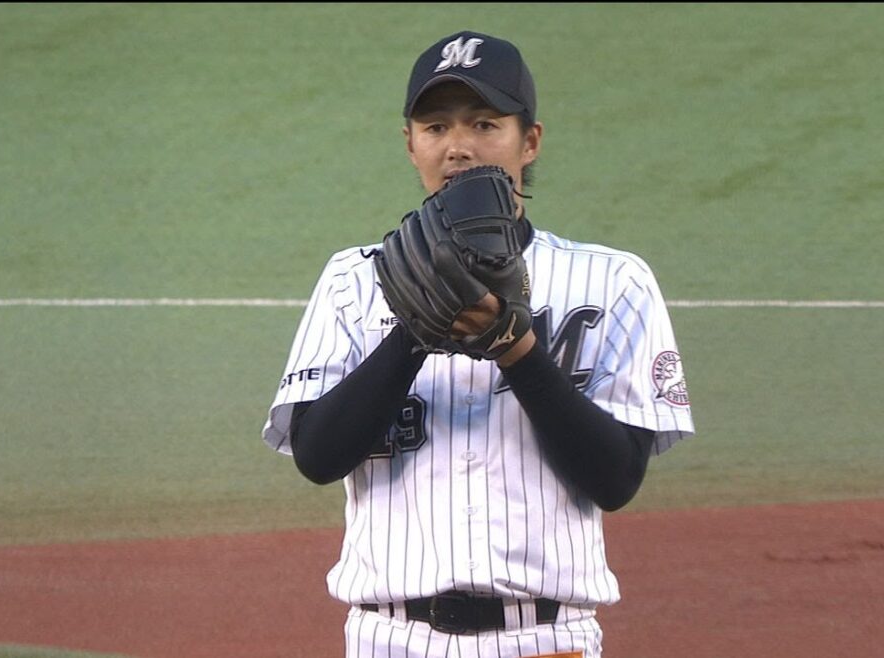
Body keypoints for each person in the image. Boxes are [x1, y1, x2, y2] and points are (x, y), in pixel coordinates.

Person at [262, 30, 695, 658]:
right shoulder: (353, 281)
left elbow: (616, 478)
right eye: (435, 127)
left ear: (531, 141)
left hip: (546, 638)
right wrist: (415, 329)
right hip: (391, 638)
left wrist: (518, 350)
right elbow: (318, 457)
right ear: (410, 144)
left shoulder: (613, 280)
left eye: (485, 123)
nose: (459, 147)